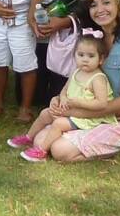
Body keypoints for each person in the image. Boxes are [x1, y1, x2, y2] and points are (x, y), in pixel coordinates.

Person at [36, 0, 120, 161]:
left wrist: (73, 113)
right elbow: (77, 79)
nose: (100, 10)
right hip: (90, 111)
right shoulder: (93, 39)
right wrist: (60, 99)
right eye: (93, 5)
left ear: (119, 5)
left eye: (106, 2)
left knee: (60, 150)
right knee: (40, 141)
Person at [10, 31, 113, 162]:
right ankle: (28, 137)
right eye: (80, 55)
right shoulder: (76, 72)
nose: (85, 59)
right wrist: (61, 98)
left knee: (59, 123)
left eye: (91, 56)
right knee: (45, 113)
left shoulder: (98, 78)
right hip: (73, 112)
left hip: (90, 118)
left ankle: (41, 151)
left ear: (101, 59)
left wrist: (77, 102)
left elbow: (102, 104)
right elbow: (64, 90)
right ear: (74, 55)